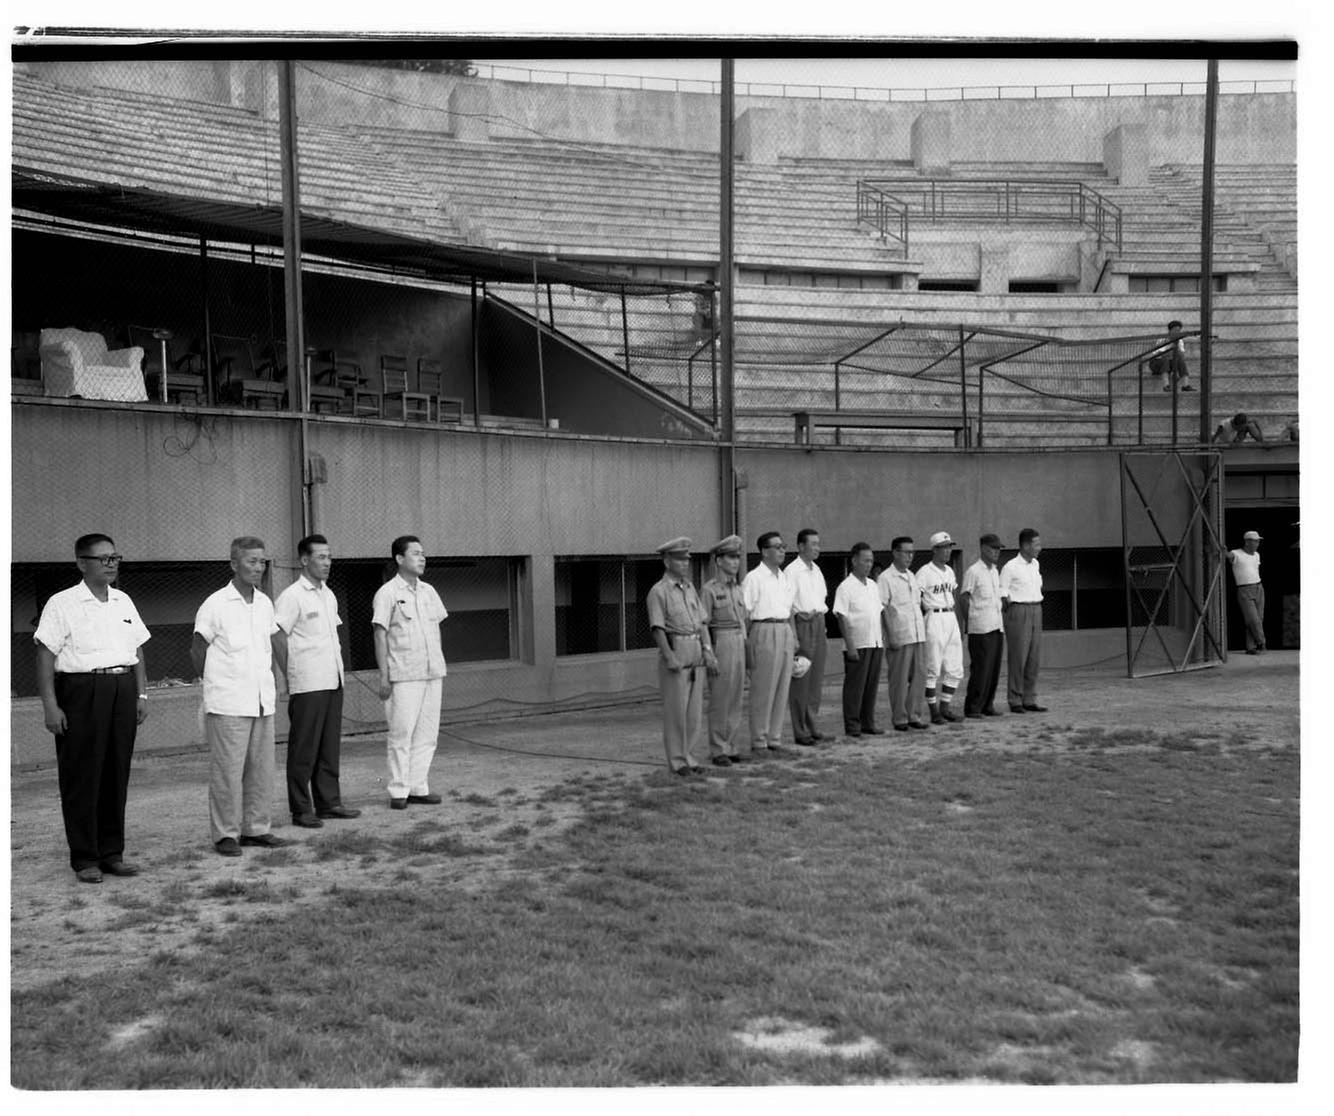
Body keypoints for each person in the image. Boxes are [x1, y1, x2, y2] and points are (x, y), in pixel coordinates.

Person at [34, 533, 150, 883]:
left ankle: (112, 853)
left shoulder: (123, 601)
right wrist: (50, 707)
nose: (111, 564)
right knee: (83, 775)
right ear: (81, 563)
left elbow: (138, 651)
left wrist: (141, 695)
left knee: (116, 773)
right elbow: (44, 655)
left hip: (122, 688)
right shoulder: (62, 603)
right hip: (82, 692)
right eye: (103, 558)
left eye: (115, 557)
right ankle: (85, 857)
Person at [192, 536, 287, 856]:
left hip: (261, 699)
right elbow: (198, 648)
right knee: (228, 773)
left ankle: (256, 829)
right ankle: (225, 835)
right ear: (234, 564)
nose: (258, 568)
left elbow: (272, 644)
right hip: (228, 701)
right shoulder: (215, 604)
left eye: (262, 562)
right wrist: (214, 685)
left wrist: (280, 681)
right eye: (251, 561)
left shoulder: (264, 603)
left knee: (261, 771)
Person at [272, 534, 361, 828]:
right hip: (307, 683)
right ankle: (301, 809)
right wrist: (291, 673)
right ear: (304, 560)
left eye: (329, 557)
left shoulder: (328, 594)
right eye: (321, 557)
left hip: (332, 679)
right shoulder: (292, 595)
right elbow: (276, 635)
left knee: (328, 746)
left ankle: (329, 802)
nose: (327, 563)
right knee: (304, 749)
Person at [372, 536, 448, 809]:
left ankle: (418, 786)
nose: (422, 558)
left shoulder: (429, 591)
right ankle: (398, 791)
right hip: (403, 675)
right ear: (399, 559)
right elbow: (380, 635)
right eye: (415, 553)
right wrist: (384, 675)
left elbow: (436, 629)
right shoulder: (388, 593)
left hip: (432, 672)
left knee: (427, 734)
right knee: (401, 733)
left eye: (423, 553)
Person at [647, 537, 718, 775]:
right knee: (676, 711)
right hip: (676, 648)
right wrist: (669, 656)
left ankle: (689, 756)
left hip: (695, 648)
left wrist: (708, 651)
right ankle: (677, 761)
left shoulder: (690, 588)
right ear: (667, 561)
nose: (685, 564)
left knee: (693, 712)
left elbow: (703, 622)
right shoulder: (659, 591)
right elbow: (658, 628)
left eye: (687, 559)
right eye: (679, 559)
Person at [742, 531, 797, 756]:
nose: (782, 550)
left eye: (783, 546)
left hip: (784, 628)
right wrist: (746, 645)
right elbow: (745, 612)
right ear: (765, 551)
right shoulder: (754, 578)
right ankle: (759, 740)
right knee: (763, 688)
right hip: (763, 629)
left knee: (782, 687)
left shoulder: (783, 577)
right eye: (777, 547)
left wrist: (793, 635)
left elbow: (790, 608)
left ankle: (775, 738)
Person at [701, 534, 748, 767]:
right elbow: (703, 623)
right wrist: (708, 651)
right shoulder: (709, 590)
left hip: (738, 640)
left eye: (737, 557)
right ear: (719, 561)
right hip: (721, 640)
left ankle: (731, 745)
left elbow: (743, 620)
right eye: (730, 557)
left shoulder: (737, 589)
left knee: (736, 697)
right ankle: (718, 748)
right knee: (721, 697)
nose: (736, 562)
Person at [833, 542, 884, 738]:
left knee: (871, 686)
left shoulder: (872, 585)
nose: (869, 565)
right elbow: (841, 616)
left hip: (875, 642)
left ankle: (868, 722)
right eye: (865, 560)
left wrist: (882, 641)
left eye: (871, 561)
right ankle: (853, 725)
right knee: (855, 687)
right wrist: (850, 645)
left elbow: (877, 613)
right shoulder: (846, 587)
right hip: (858, 643)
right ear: (854, 561)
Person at [783, 528, 829, 746]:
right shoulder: (792, 571)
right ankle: (800, 730)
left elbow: (821, 598)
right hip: (802, 623)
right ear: (801, 546)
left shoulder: (817, 570)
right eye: (813, 544)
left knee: (816, 679)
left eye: (819, 544)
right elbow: (789, 606)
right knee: (801, 677)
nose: (817, 548)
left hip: (819, 622)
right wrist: (793, 633)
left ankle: (813, 724)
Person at [878, 537, 929, 732]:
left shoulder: (912, 576)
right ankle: (900, 718)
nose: (910, 556)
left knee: (920, 676)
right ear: (895, 553)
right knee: (898, 679)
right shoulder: (885, 578)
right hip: (899, 635)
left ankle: (914, 714)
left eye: (912, 552)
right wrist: (890, 635)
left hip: (917, 634)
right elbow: (882, 608)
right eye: (906, 552)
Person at [916, 531, 965, 724]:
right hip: (933, 617)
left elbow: (954, 597)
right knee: (933, 668)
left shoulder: (950, 571)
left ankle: (945, 708)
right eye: (944, 547)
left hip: (950, 616)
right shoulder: (924, 572)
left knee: (955, 667)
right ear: (934, 549)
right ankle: (934, 711)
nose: (948, 551)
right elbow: (916, 599)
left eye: (949, 547)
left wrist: (958, 624)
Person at [1000, 527, 1047, 713]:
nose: (1039, 548)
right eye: (1036, 544)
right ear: (1026, 545)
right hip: (1018, 610)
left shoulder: (1035, 564)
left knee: (1033, 658)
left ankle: (1029, 698)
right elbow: (1002, 592)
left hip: (1036, 608)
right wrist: (1012, 610)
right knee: (1018, 657)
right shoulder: (1010, 567)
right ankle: (1015, 699)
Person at [959, 533, 1005, 718]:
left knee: (993, 668)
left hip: (996, 625)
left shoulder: (994, 571)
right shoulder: (973, 571)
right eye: (994, 548)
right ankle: (973, 707)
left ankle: (988, 705)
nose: (997, 552)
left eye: (998, 549)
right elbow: (964, 598)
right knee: (981, 669)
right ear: (984, 548)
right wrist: (970, 623)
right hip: (980, 628)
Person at [1225, 530, 1266, 654]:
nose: (1257, 544)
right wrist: (1222, 550)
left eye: (1258, 541)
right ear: (1247, 542)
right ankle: (1261, 641)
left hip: (1258, 587)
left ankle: (1251, 647)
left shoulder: (1257, 555)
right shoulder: (1236, 553)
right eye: (1255, 541)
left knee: (1258, 618)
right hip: (1244, 589)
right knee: (1253, 619)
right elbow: (1228, 556)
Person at [1149, 319, 1194, 393]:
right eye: (1175, 330)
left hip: (1171, 364)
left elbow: (1182, 355)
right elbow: (1160, 354)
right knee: (1165, 359)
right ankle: (1166, 385)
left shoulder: (1179, 341)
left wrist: (1176, 348)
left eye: (1179, 330)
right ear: (1170, 330)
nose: (1177, 332)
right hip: (1156, 364)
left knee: (1180, 360)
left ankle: (1185, 385)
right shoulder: (1163, 339)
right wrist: (1173, 346)